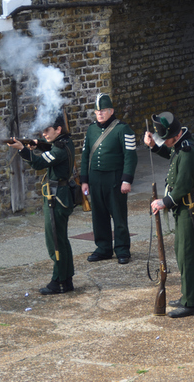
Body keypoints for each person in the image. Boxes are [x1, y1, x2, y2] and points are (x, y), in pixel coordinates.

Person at [144, 112, 194, 318]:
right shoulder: (181, 144)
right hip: (183, 207)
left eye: (166, 139)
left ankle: (191, 303)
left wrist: (164, 202)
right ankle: (186, 295)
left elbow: (183, 186)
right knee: (181, 252)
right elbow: (171, 155)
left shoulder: (188, 151)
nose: (166, 143)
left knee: (187, 254)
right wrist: (154, 146)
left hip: (188, 207)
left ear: (175, 135)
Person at [8, 114, 76, 295]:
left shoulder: (60, 149)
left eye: (47, 130)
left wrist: (23, 149)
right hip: (60, 196)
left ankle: (59, 281)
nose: (44, 134)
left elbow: (38, 163)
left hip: (56, 198)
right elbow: (49, 147)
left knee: (54, 241)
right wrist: (37, 144)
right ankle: (66, 279)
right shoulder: (64, 142)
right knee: (61, 239)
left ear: (58, 130)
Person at [80, 93, 138, 264]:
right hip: (95, 178)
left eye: (103, 110)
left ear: (111, 111)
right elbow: (85, 156)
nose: (100, 114)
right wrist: (84, 180)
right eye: (97, 111)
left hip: (115, 177)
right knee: (99, 215)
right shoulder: (91, 129)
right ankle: (103, 248)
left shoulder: (122, 129)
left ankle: (122, 249)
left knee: (118, 215)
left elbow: (130, 156)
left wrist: (126, 179)